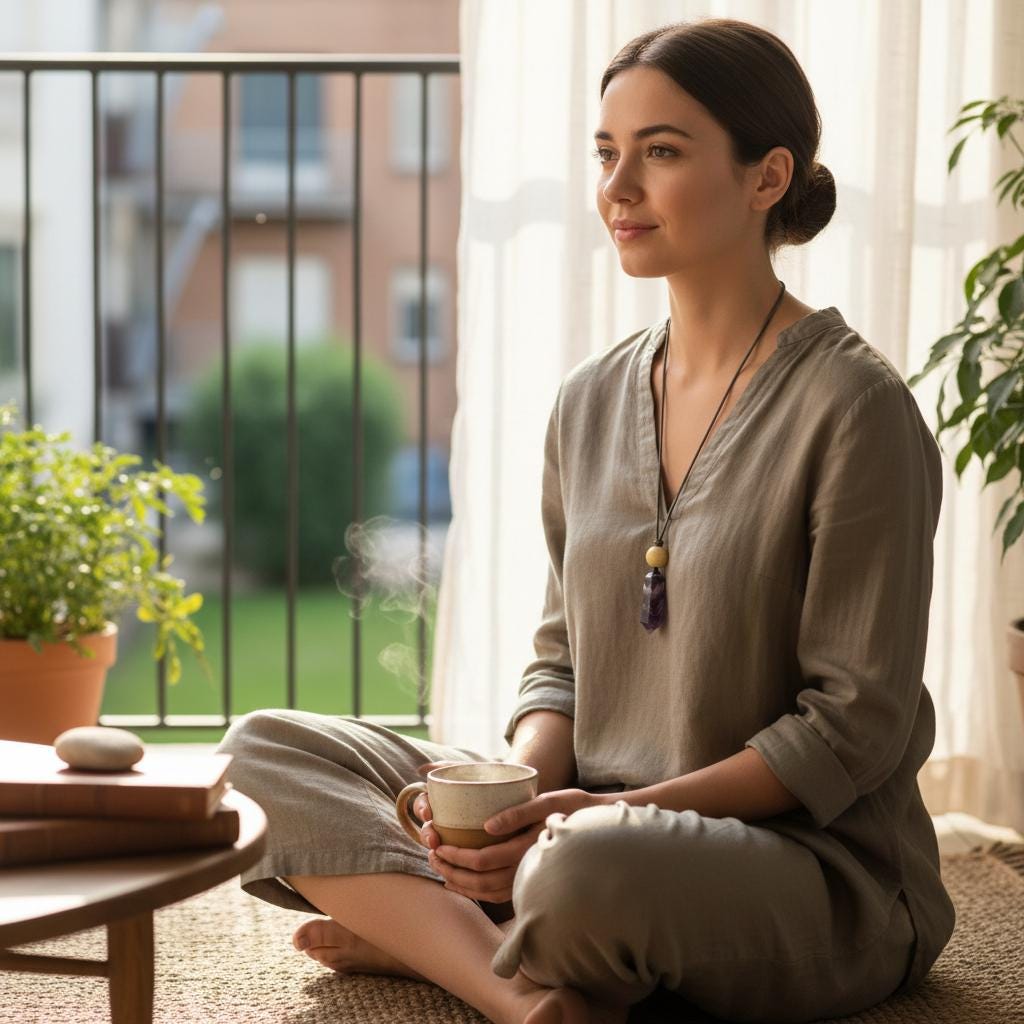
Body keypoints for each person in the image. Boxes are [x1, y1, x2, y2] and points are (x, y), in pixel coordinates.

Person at [215, 16, 956, 1024]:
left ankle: (438, 938)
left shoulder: (857, 409)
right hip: (585, 820)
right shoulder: (589, 398)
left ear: (767, 177)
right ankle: (514, 983)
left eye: (661, 152)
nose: (617, 187)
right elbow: (562, 659)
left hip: (803, 866)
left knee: (579, 875)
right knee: (259, 753)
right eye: (607, 153)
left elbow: (849, 728)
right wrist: (512, 796)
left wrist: (599, 818)